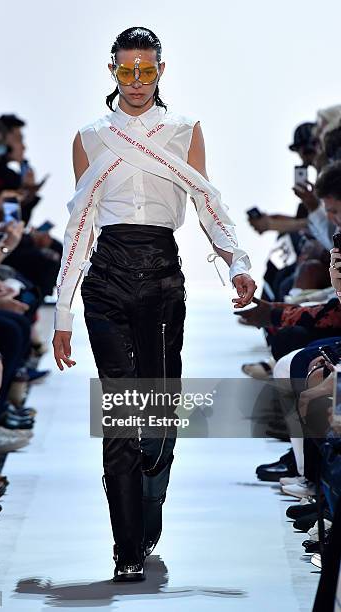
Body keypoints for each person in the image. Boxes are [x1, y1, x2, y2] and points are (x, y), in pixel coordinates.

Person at [52, 26, 256, 582]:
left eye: (146, 71)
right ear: (112, 71)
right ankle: (126, 549)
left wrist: (235, 261)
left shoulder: (183, 130)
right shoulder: (91, 137)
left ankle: (150, 506)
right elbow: (80, 225)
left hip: (163, 274)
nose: (137, 81)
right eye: (127, 71)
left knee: (158, 413)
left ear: (161, 71)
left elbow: (206, 198)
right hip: (107, 278)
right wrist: (62, 311)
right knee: (121, 412)